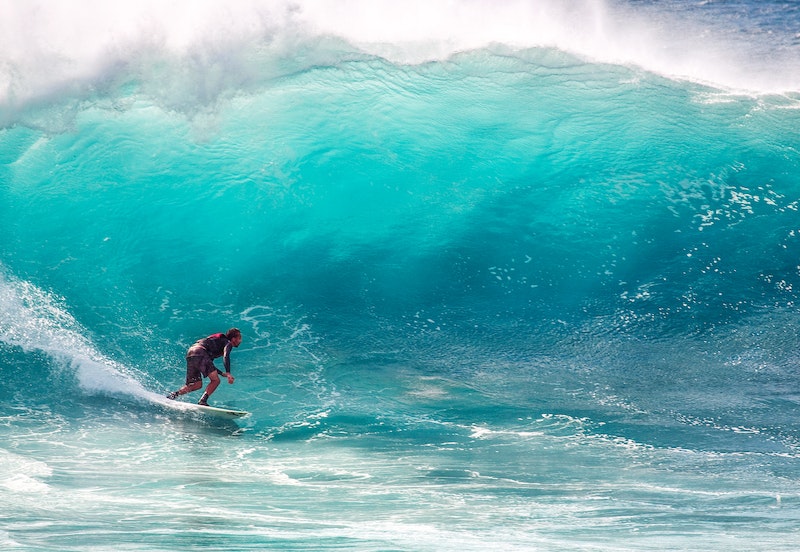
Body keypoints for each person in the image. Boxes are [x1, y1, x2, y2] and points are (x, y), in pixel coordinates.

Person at [166, 328, 242, 406]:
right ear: (233, 339)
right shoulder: (228, 343)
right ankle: (203, 401)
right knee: (216, 381)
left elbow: (208, 363)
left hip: (191, 352)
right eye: (239, 338)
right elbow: (226, 356)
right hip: (201, 352)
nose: (240, 341)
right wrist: (228, 373)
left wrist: (222, 373)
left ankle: (173, 395)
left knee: (196, 384)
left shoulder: (217, 343)